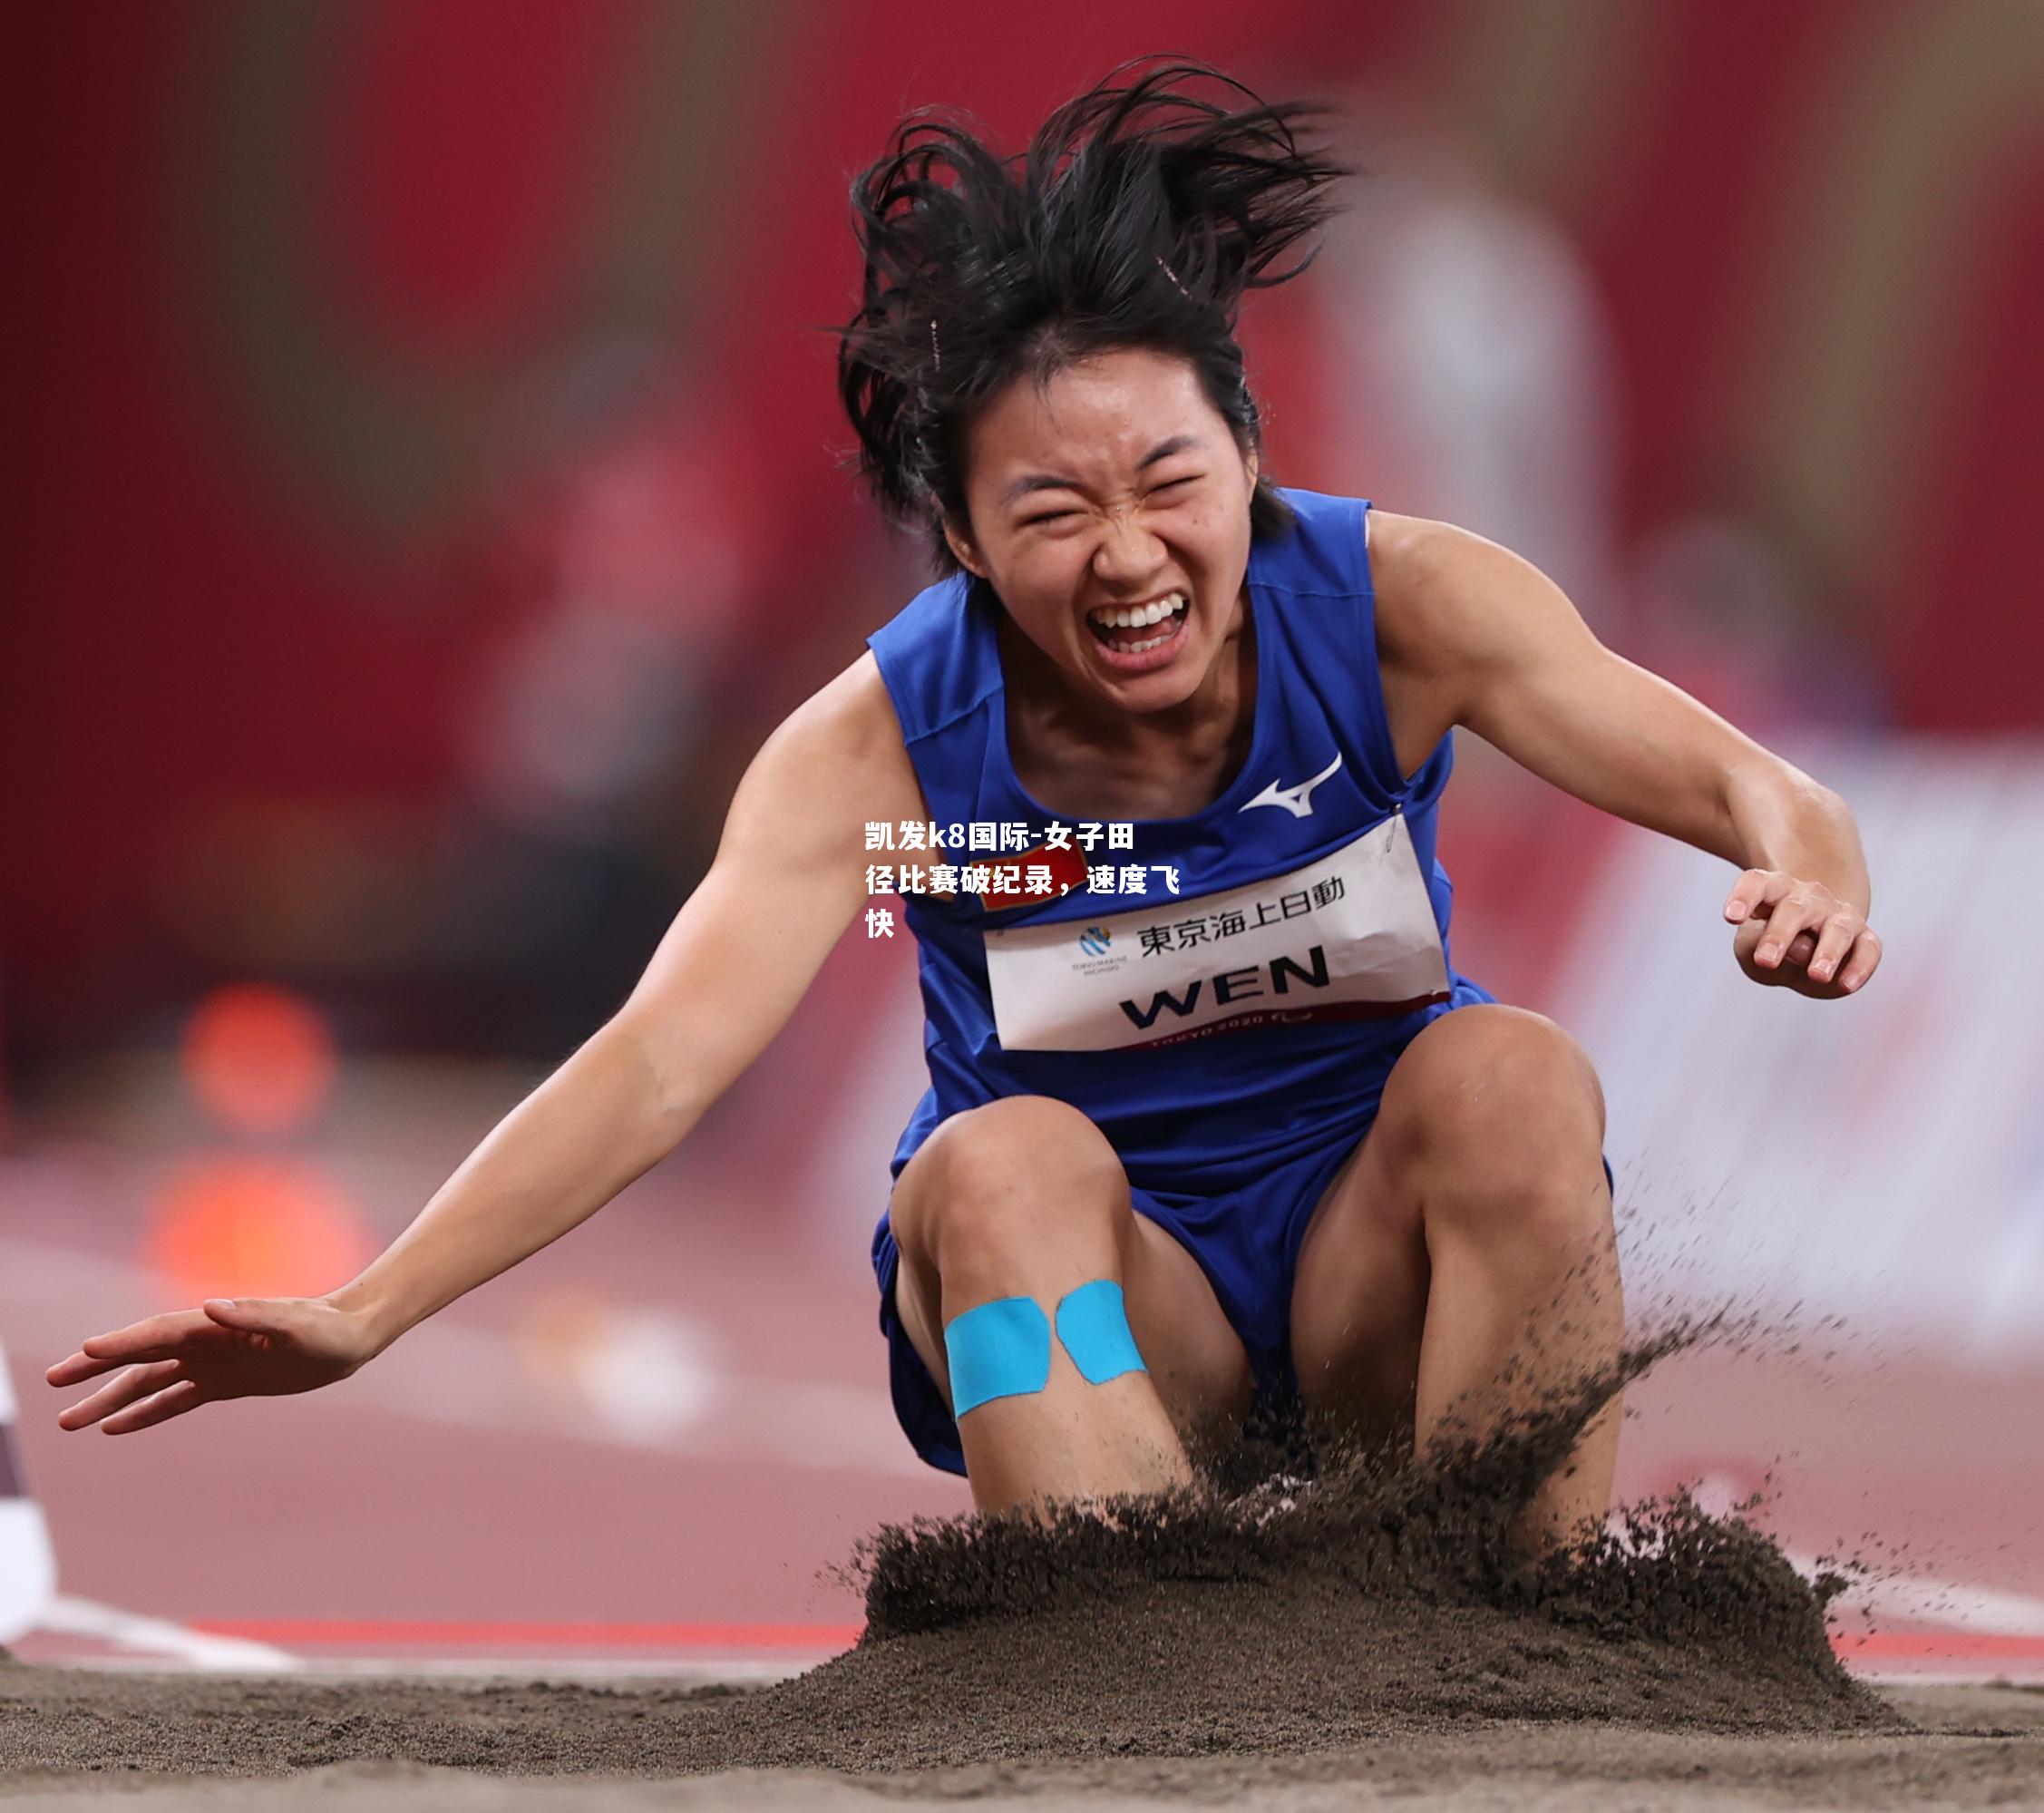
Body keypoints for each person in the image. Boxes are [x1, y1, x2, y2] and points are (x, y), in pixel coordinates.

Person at [45, 61, 1880, 1555]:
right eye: (1050, 512)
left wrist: (1806, 869)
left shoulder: (1406, 604)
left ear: (1245, 456)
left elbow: (1744, 778)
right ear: (960, 540)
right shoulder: (875, 742)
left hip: (1357, 1294)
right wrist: (367, 1306)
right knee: (987, 1161)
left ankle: (1521, 1637)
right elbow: (659, 1059)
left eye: (1168, 481)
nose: (1129, 555)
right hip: (1093, 1310)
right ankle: (1134, 1653)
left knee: (1513, 1073)